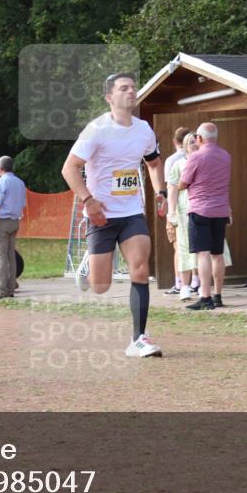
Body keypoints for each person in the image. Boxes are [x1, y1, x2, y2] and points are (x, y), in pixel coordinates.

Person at [61, 72, 167, 357]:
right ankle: (88, 265)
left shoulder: (144, 129)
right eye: (124, 88)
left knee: (141, 269)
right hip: (100, 215)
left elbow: (155, 165)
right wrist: (88, 200)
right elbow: (69, 169)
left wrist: (161, 193)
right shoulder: (96, 130)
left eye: (133, 87)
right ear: (110, 97)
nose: (131, 91)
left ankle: (138, 339)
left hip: (132, 212)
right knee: (100, 286)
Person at [179, 122, 232, 310]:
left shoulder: (196, 157)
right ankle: (218, 295)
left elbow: (183, 183)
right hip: (221, 210)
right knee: (218, 255)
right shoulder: (226, 156)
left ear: (200, 138)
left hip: (200, 209)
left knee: (203, 254)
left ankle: (205, 297)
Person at [0, 156, 27, 300]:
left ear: (0, 167)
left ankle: (1, 289)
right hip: (15, 221)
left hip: (2, 222)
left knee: (1, 257)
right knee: (11, 255)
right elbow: (23, 204)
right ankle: (10, 288)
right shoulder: (20, 183)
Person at [166, 132, 199, 301]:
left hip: (201, 208)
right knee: (184, 248)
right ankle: (184, 286)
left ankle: (199, 283)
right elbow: (172, 189)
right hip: (184, 209)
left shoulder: (205, 162)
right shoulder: (178, 164)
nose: (194, 144)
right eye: (190, 142)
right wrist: (171, 213)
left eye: (196, 141)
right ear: (185, 146)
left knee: (202, 248)